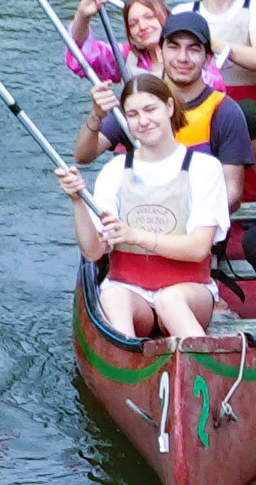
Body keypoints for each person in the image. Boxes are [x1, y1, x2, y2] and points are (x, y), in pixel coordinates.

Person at [70, 75, 231, 342]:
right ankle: (127, 367)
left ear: (169, 108)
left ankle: (205, 365)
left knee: (170, 299)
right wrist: (77, 200)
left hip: (188, 291)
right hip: (130, 290)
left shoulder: (204, 168)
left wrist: (136, 236)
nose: (143, 121)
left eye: (150, 109)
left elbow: (199, 248)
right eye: (132, 114)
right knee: (112, 296)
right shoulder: (114, 170)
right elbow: (93, 250)